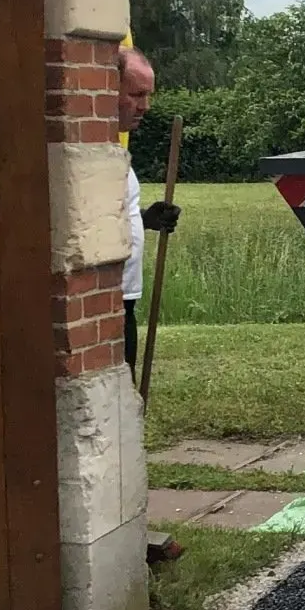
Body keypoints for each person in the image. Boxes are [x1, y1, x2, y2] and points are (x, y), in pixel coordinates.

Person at [116, 48, 180, 377]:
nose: (145, 106)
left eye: (148, 95)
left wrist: (144, 219)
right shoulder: (90, 153)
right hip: (105, 304)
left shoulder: (114, 149)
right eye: (136, 94)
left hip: (125, 301)